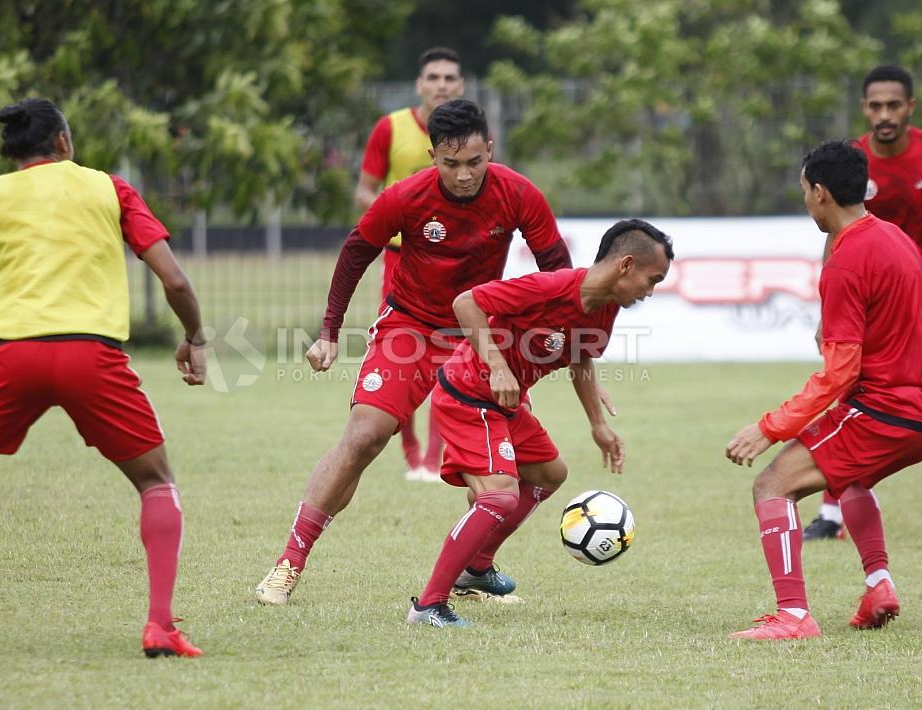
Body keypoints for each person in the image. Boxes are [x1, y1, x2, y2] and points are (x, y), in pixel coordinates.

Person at [0, 99, 207, 658]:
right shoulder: (109, 189)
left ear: (15, 155)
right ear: (64, 144)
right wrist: (194, 337)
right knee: (156, 483)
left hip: (9, 359)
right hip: (92, 359)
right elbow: (173, 279)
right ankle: (160, 626)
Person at [255, 98, 573, 606]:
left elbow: (557, 269)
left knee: (523, 472)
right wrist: (330, 331)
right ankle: (288, 563)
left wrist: (548, 335)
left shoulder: (519, 194)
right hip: (410, 328)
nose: (464, 174)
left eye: (474, 161)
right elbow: (358, 248)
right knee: (363, 437)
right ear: (432, 157)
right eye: (451, 164)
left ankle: (474, 568)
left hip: (479, 337)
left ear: (490, 148)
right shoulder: (406, 196)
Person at [725, 140, 922, 640]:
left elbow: (837, 375)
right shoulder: (898, 239)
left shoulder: (847, 260)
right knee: (848, 478)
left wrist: (769, 428)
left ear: (820, 192)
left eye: (804, 190)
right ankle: (879, 585)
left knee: (772, 485)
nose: (805, 200)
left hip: (884, 412)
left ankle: (793, 616)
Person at [406, 220, 673, 628]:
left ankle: (475, 568)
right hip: (468, 394)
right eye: (651, 279)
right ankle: (428, 606)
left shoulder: (604, 310)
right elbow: (466, 303)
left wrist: (597, 425)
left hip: (507, 406)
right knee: (499, 497)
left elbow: (581, 357)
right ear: (626, 265)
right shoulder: (550, 287)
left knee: (550, 473)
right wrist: (497, 366)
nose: (650, 292)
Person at [804, 65, 922, 543]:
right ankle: (831, 514)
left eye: (894, 105)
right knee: (849, 393)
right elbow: (836, 234)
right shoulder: (851, 161)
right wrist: (826, 309)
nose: (884, 114)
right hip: (872, 299)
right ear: (864, 108)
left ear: (910, 107)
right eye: (875, 105)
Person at [355, 47, 465, 483]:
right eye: (433, 77)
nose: (441, 84)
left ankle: (436, 459)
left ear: (461, 85)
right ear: (419, 85)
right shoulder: (391, 128)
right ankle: (412, 455)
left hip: (457, 267)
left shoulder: (470, 136)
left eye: (450, 78)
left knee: (452, 360)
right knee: (402, 353)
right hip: (401, 263)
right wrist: (400, 220)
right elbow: (365, 192)